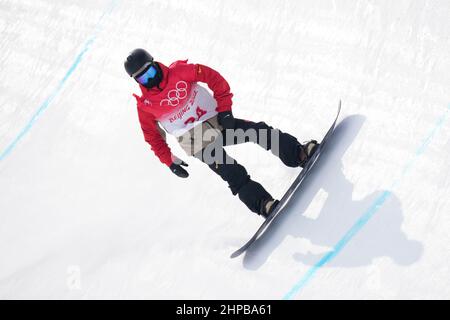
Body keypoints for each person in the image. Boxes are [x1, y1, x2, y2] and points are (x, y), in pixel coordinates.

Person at [124, 48, 319, 219]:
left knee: (258, 131)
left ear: (154, 64)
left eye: (149, 72)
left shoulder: (180, 72)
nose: (149, 80)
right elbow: (152, 137)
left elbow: (213, 78)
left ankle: (298, 153)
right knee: (230, 171)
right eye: (142, 78)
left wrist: (225, 108)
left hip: (216, 121)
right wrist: (169, 161)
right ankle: (263, 204)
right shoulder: (146, 106)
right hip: (196, 141)